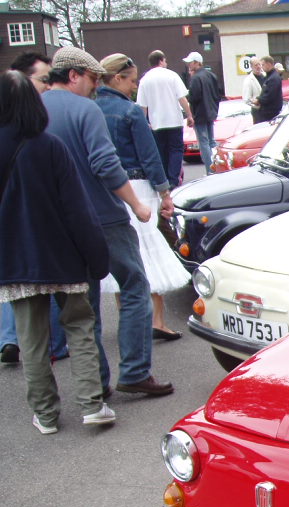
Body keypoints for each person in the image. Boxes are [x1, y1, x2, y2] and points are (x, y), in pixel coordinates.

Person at [43, 46, 173, 397]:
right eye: (92, 78)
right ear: (74, 75)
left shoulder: (36, 110)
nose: (96, 86)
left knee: (83, 304)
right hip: (102, 215)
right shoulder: (86, 109)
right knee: (134, 285)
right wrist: (136, 203)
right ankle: (134, 371)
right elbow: (105, 163)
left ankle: (96, 383)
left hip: (59, 223)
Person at [0, 70, 114, 432]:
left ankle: (46, 415)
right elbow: (77, 209)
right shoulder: (50, 146)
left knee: (32, 339)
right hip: (63, 255)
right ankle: (92, 405)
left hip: (15, 260)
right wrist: (97, 256)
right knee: (80, 327)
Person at [96, 53, 189, 342]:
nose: (134, 87)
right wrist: (164, 192)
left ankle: (129, 320)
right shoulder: (130, 111)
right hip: (137, 186)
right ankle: (157, 320)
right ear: (117, 78)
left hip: (107, 188)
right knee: (148, 251)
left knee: (121, 254)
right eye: (132, 81)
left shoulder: (91, 108)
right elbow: (149, 156)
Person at [1, 51, 68, 365]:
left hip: (14, 243)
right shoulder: (44, 140)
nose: (49, 86)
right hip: (39, 237)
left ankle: (9, 339)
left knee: (18, 301)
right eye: (43, 79)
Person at [136, 50, 193, 189]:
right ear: (161, 61)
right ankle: (174, 179)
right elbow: (182, 98)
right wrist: (189, 115)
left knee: (161, 151)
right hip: (174, 120)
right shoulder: (172, 75)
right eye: (165, 60)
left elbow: (142, 105)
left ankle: (165, 178)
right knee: (176, 150)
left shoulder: (145, 80)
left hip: (156, 123)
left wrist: (144, 122)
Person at [183, 51, 219, 175]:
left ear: (197, 63)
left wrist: (190, 114)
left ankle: (210, 170)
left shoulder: (196, 78)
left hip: (200, 114)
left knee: (203, 142)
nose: (188, 65)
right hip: (211, 113)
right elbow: (217, 95)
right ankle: (216, 166)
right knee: (212, 142)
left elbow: (194, 97)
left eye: (190, 62)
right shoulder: (211, 75)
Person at [253, 55, 282, 124]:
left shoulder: (273, 78)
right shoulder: (268, 77)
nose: (261, 67)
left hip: (270, 113)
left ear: (269, 64)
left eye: (263, 65)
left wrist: (258, 100)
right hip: (266, 112)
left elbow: (269, 95)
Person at [242, 56, 263, 121]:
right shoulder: (248, 80)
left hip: (269, 110)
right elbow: (246, 99)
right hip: (257, 112)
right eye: (256, 65)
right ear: (251, 66)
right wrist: (256, 103)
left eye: (259, 64)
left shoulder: (266, 76)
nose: (258, 67)